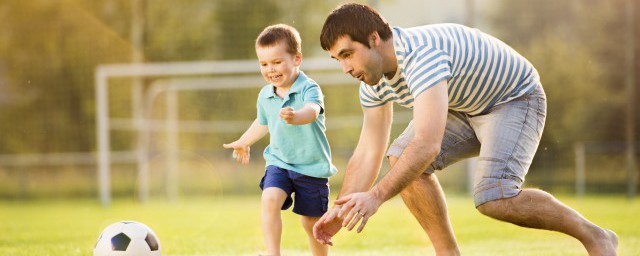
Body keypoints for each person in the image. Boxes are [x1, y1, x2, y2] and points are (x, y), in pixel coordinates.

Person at [312, 3, 618, 255]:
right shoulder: (372, 81)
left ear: (374, 38)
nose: (346, 68)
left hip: (513, 98)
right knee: (402, 156)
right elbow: (368, 152)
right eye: (338, 59)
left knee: (494, 198)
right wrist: (342, 210)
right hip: (465, 107)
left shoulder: (420, 57)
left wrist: (376, 196)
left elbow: (427, 144)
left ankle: (596, 236)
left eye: (348, 54)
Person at [223, 24, 337, 256]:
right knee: (270, 198)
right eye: (264, 64)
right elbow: (262, 122)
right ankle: (273, 253)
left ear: (297, 59)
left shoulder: (309, 87)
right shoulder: (265, 94)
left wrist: (296, 116)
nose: (270, 70)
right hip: (280, 162)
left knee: (311, 223)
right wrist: (245, 141)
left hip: (311, 167)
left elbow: (313, 110)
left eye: (276, 62)